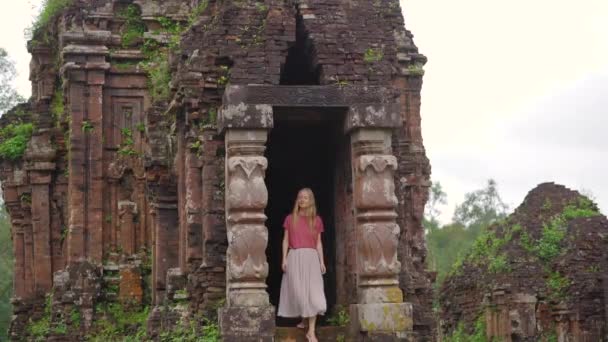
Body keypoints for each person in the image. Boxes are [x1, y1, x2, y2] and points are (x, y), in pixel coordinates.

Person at [278, 188, 327, 342]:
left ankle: (311, 332)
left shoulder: (317, 220)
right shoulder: (290, 218)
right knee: (299, 293)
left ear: (310, 200)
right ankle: (304, 319)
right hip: (295, 256)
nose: (302, 200)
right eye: (300, 197)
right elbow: (285, 240)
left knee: (313, 294)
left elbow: (319, 243)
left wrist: (322, 261)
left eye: (305, 197)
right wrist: (284, 259)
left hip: (312, 257)